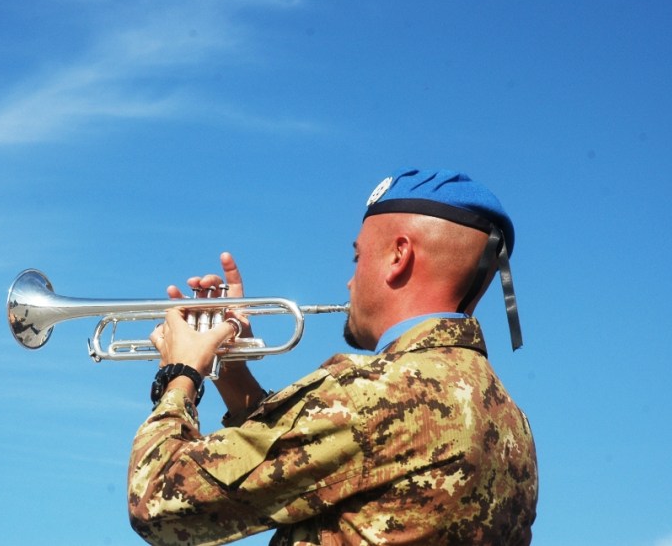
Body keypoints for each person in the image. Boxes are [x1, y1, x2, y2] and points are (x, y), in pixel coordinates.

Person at [128, 167, 538, 545]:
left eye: (358, 257)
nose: (348, 280)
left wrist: (180, 373)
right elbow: (300, 465)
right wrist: (231, 374)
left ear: (399, 256)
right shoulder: (511, 423)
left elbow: (156, 500)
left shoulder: (372, 392)